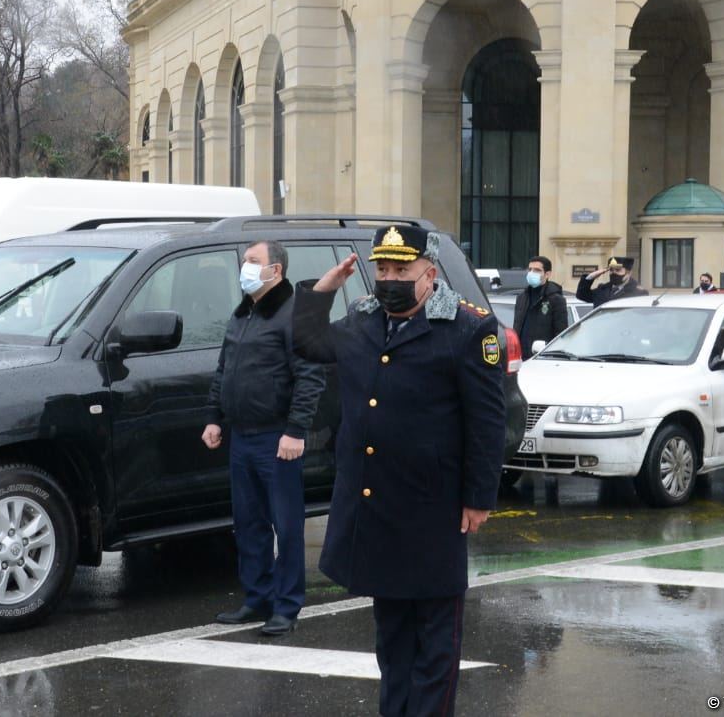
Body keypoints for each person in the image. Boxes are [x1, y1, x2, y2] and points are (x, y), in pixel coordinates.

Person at [291, 225, 505, 716]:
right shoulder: (363, 321)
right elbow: (307, 344)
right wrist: (321, 290)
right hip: (376, 505)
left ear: (429, 274)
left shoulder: (468, 330)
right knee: (391, 640)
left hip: (434, 509)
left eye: (401, 270)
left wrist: (479, 496)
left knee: (435, 642)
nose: (389, 279)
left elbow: (487, 421)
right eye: (382, 269)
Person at [203, 240, 326, 637]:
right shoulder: (244, 313)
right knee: (249, 523)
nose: (245, 267)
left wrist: (295, 432)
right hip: (242, 437)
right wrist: (214, 418)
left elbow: (310, 378)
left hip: (277, 439)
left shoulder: (293, 315)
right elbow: (224, 370)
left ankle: (287, 606)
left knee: (286, 525)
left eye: (253, 262)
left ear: (276, 270)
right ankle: (257, 598)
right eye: (244, 262)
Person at [514, 255, 568, 357]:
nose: (531, 273)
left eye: (537, 270)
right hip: (521, 357)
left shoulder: (556, 299)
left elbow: (561, 334)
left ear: (547, 274)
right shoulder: (522, 297)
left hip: (542, 357)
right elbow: (517, 326)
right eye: (530, 269)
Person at [576, 255, 648, 308]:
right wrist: (590, 277)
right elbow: (582, 295)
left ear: (629, 273)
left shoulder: (638, 292)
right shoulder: (602, 289)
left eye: (618, 270)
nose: (614, 273)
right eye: (611, 270)